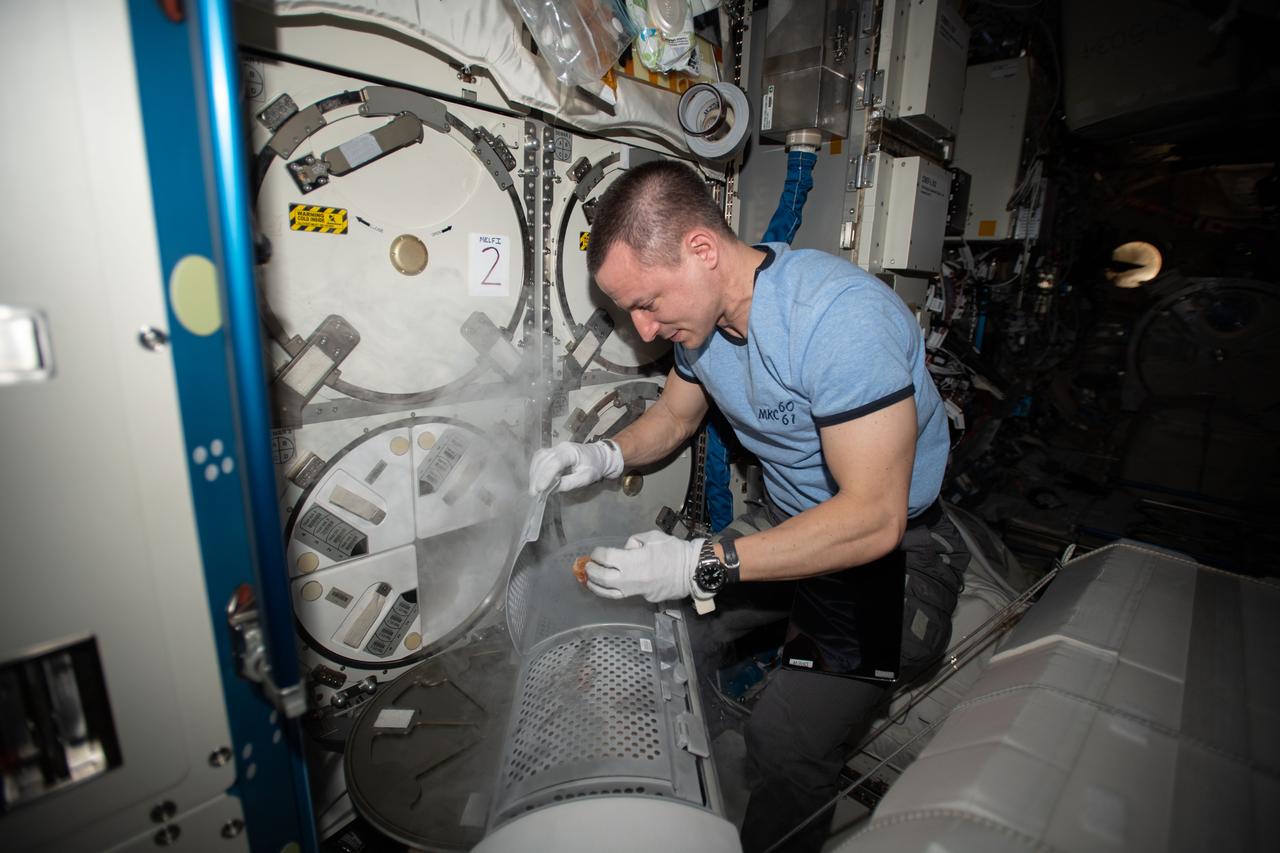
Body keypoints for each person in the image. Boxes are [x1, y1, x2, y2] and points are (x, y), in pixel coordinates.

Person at [528, 160, 969, 852]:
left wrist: (701, 561)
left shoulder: (838, 319)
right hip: (788, 524)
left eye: (648, 301)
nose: (643, 330)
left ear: (703, 251)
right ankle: (688, 794)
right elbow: (673, 420)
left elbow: (871, 518)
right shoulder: (700, 330)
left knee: (787, 739)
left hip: (887, 549)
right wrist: (603, 455)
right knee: (660, 631)